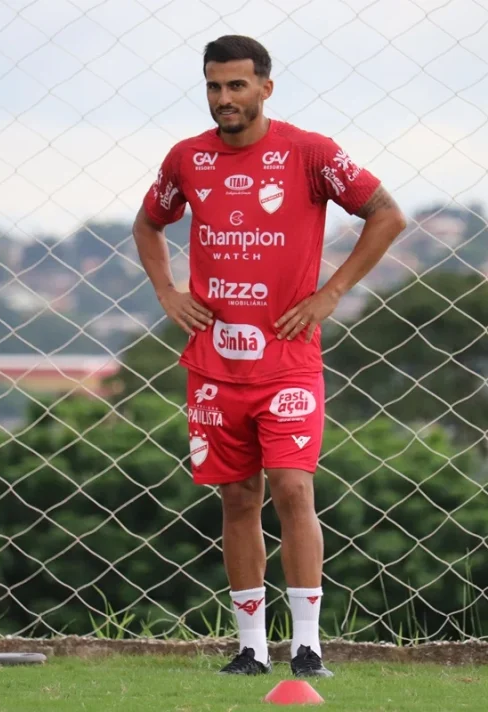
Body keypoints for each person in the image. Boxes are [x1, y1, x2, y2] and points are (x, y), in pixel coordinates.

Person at [132, 34, 406, 677]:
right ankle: (251, 647)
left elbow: (387, 215)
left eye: (236, 85)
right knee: (237, 500)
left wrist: (331, 292)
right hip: (213, 365)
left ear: (265, 88)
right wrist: (168, 291)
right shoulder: (187, 160)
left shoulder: (310, 153)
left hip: (288, 361)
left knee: (292, 488)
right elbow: (149, 224)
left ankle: (308, 645)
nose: (223, 98)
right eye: (213, 86)